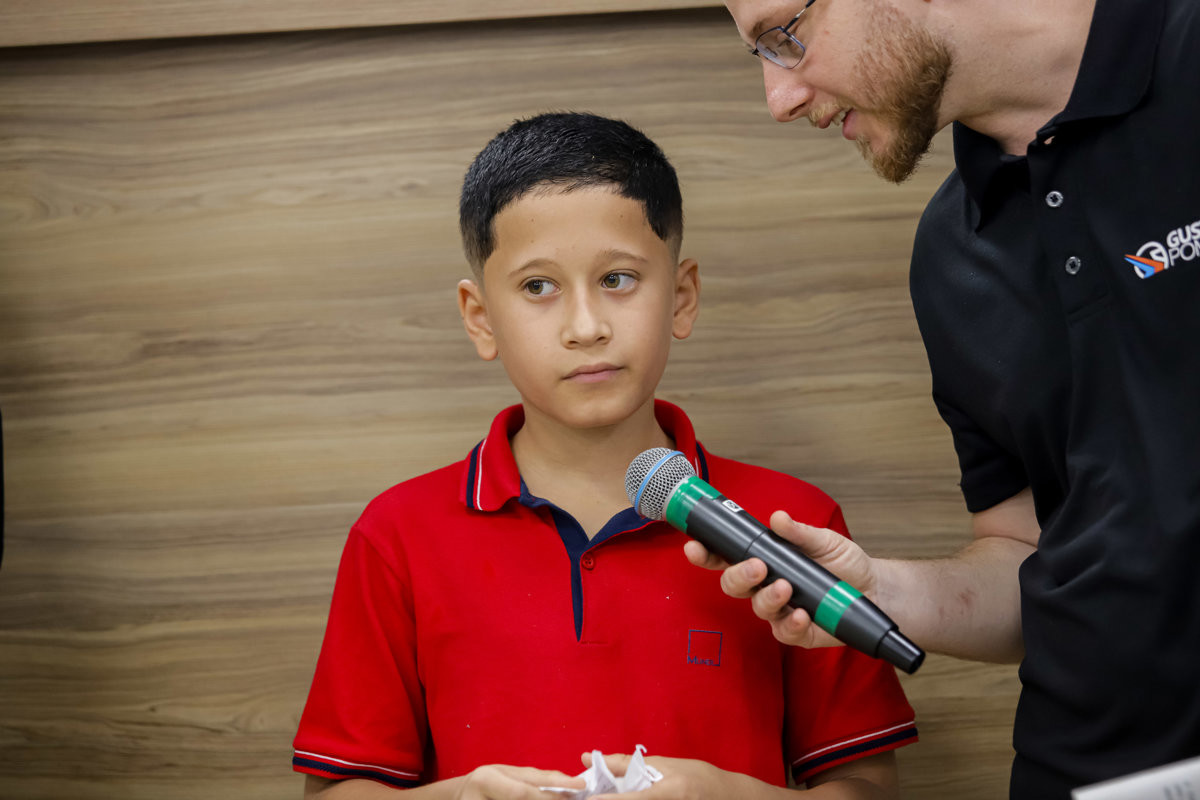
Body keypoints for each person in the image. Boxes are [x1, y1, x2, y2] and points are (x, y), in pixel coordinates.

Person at [292, 111, 918, 799]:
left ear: (681, 297)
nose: (586, 327)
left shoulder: (791, 522)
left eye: (618, 279)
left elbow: (867, 788)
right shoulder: (397, 536)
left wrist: (731, 796)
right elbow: (336, 791)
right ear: (481, 318)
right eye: (538, 287)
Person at [696, 1, 1200, 797]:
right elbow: (1029, 556)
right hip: (1086, 768)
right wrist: (880, 590)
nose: (780, 99)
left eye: (785, 36)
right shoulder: (951, 253)